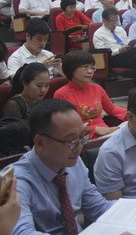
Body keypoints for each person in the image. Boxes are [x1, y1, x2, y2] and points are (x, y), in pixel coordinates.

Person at [7, 99, 114, 234]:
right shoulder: (16, 181)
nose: (80, 147)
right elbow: (22, 232)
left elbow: (99, 208)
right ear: (40, 143)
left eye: (82, 137)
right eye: (71, 141)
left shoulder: (74, 164)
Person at [54, 50, 127, 138]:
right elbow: (66, 125)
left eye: (92, 67)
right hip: (80, 137)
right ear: (71, 69)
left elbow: (112, 109)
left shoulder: (97, 88)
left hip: (106, 132)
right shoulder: (61, 94)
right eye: (85, 67)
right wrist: (94, 129)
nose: (90, 71)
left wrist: (133, 115)